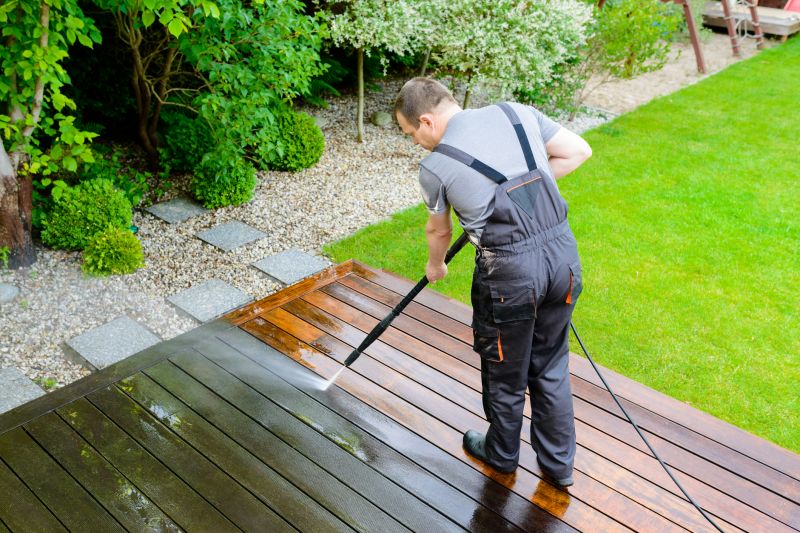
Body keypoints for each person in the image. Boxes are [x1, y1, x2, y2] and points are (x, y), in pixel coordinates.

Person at [394, 77, 592, 488]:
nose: (415, 143)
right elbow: (577, 151)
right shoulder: (517, 112)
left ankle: (502, 454)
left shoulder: (435, 166)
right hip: (563, 261)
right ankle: (559, 467)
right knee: (552, 362)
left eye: (411, 133)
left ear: (427, 121)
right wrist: (527, 199)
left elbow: (439, 233)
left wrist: (436, 268)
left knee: (505, 369)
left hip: (509, 276)